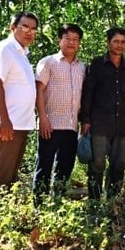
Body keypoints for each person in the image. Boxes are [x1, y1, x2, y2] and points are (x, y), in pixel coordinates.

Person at [0, 11, 39, 222]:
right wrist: (4, 120)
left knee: (11, 172)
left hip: (21, 123)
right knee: (1, 171)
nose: (29, 32)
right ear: (12, 27)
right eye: (25, 27)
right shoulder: (5, 49)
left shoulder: (21, 53)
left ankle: (5, 215)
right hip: (9, 123)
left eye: (33, 29)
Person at [80, 26, 125, 199]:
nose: (119, 45)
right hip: (99, 123)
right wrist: (86, 120)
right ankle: (95, 202)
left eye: (123, 42)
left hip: (122, 124)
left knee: (120, 163)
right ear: (108, 42)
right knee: (97, 164)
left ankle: (113, 201)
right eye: (116, 41)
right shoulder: (97, 64)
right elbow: (88, 93)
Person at [32, 23, 86, 204]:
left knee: (65, 167)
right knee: (44, 166)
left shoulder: (82, 67)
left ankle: (57, 204)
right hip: (51, 125)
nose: (71, 42)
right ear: (59, 40)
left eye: (75, 39)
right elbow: (38, 90)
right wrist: (42, 118)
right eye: (67, 38)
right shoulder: (48, 62)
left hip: (71, 126)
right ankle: (39, 205)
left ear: (79, 43)